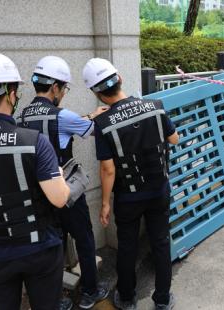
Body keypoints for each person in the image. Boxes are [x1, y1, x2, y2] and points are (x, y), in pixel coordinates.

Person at [0, 50, 70, 310]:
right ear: (11, 93)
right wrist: (61, 177)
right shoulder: (34, 141)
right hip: (38, 249)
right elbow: (59, 198)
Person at [82, 58, 179, 310]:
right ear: (120, 79)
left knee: (127, 246)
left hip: (128, 197)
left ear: (97, 93)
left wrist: (104, 203)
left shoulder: (102, 124)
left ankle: (126, 299)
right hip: (159, 190)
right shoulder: (155, 106)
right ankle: (162, 299)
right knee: (160, 242)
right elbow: (175, 138)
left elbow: (108, 169)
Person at [17, 56, 108, 310]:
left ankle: (57, 300)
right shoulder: (62, 115)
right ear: (55, 87)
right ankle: (91, 291)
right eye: (64, 89)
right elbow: (90, 130)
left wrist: (88, 114)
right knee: (85, 239)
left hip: (41, 196)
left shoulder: (22, 117)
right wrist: (95, 118)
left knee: (54, 246)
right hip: (67, 192)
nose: (64, 94)